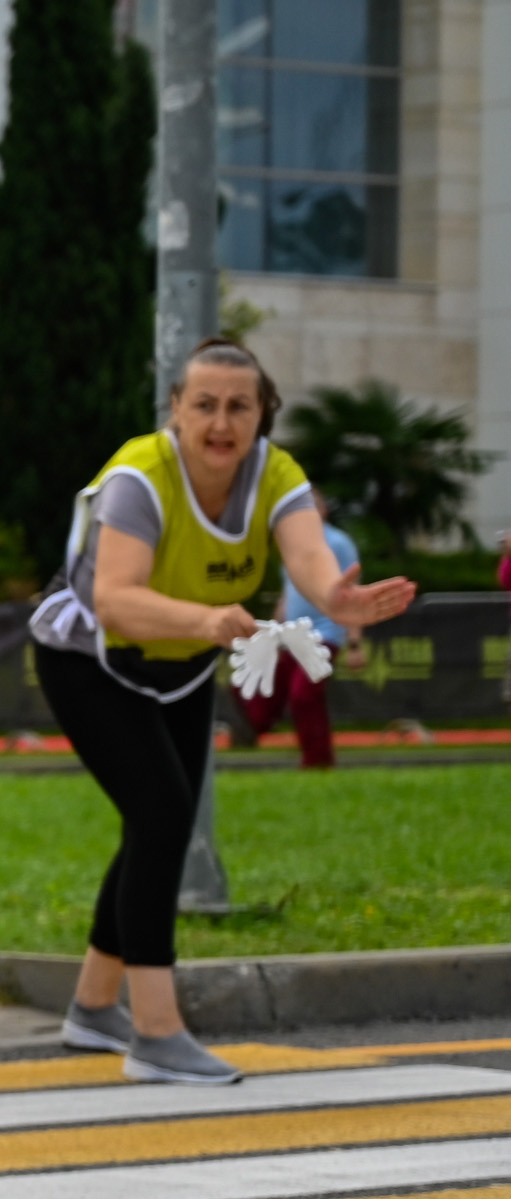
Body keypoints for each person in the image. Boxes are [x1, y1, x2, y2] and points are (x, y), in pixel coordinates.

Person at [29, 337, 414, 1084]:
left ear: (261, 416)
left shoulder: (275, 475)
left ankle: (93, 1005)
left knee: (155, 820)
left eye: (238, 406)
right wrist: (206, 622)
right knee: (164, 815)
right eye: (202, 403)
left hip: (178, 664)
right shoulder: (138, 477)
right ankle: (155, 1032)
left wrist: (334, 595)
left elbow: (306, 555)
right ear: (174, 410)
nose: (219, 421)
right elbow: (114, 600)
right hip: (88, 658)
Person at [233, 505, 362, 768]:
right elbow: (287, 592)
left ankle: (318, 761)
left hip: (324, 634)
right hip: (291, 636)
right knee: (258, 689)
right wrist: (271, 632)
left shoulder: (337, 542)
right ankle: (250, 730)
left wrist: (355, 642)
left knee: (304, 695)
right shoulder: (291, 543)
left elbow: (354, 591)